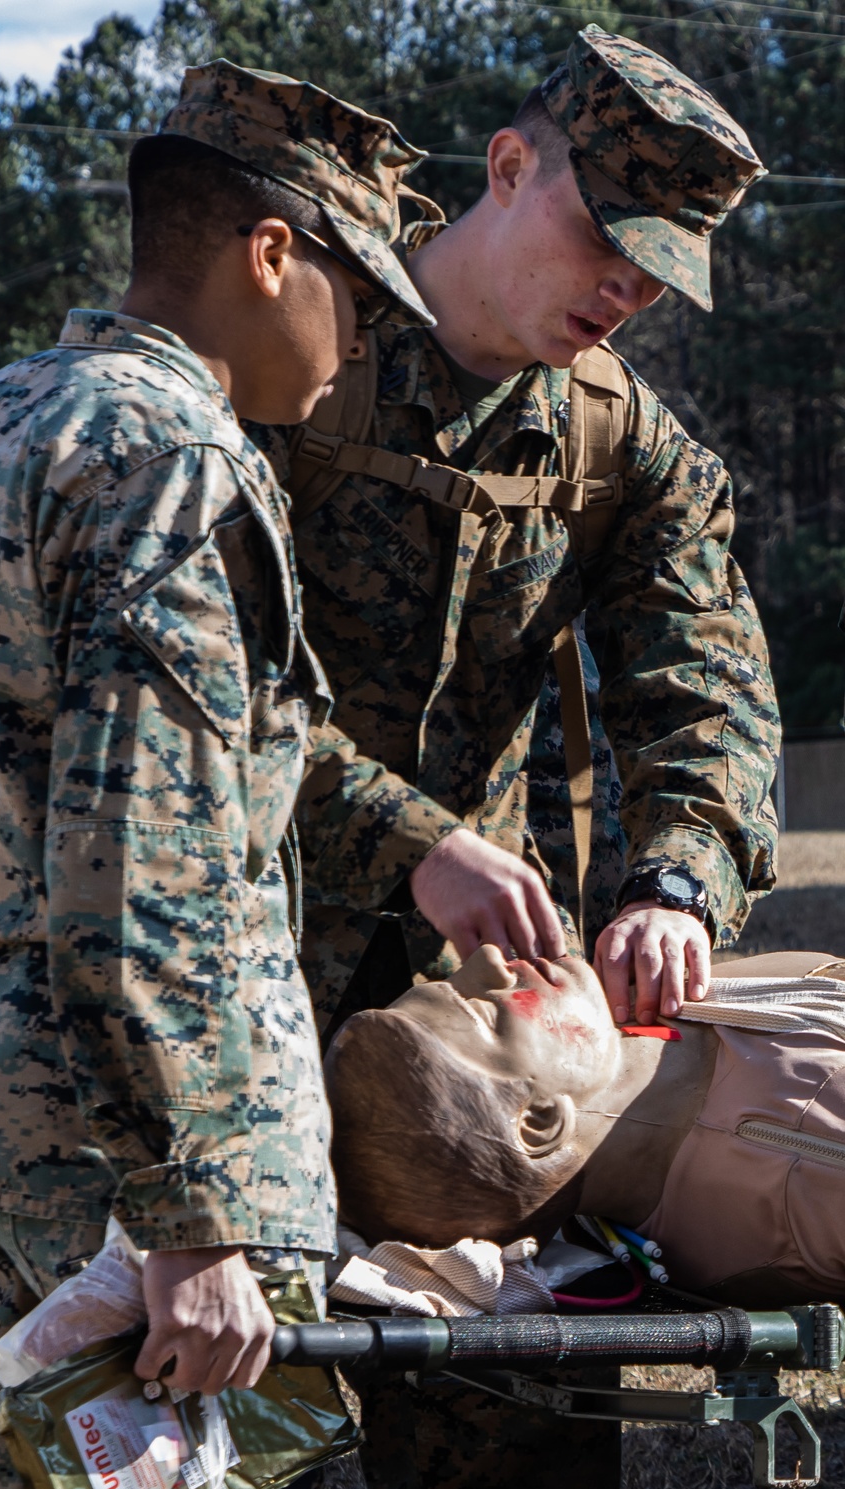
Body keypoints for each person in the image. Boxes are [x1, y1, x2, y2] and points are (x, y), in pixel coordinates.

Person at [0, 61, 509, 1489]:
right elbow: (141, 856)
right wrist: (195, 1214)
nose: (369, 348)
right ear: (272, 256)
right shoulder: (179, 461)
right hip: (130, 1154)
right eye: (361, 297)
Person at [258, 24, 781, 1044]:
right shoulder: (286, 360)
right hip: (229, 976)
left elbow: (708, 686)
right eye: (609, 239)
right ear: (507, 166)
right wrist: (412, 844)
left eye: (659, 268)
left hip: (474, 1016)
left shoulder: (619, 439)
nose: (628, 291)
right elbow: (190, 695)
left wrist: (677, 880)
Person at [326, 943, 845, 1305]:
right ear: (539, 1122)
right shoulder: (807, 1159)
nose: (486, 960)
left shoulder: (662, 1019)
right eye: (486, 1011)